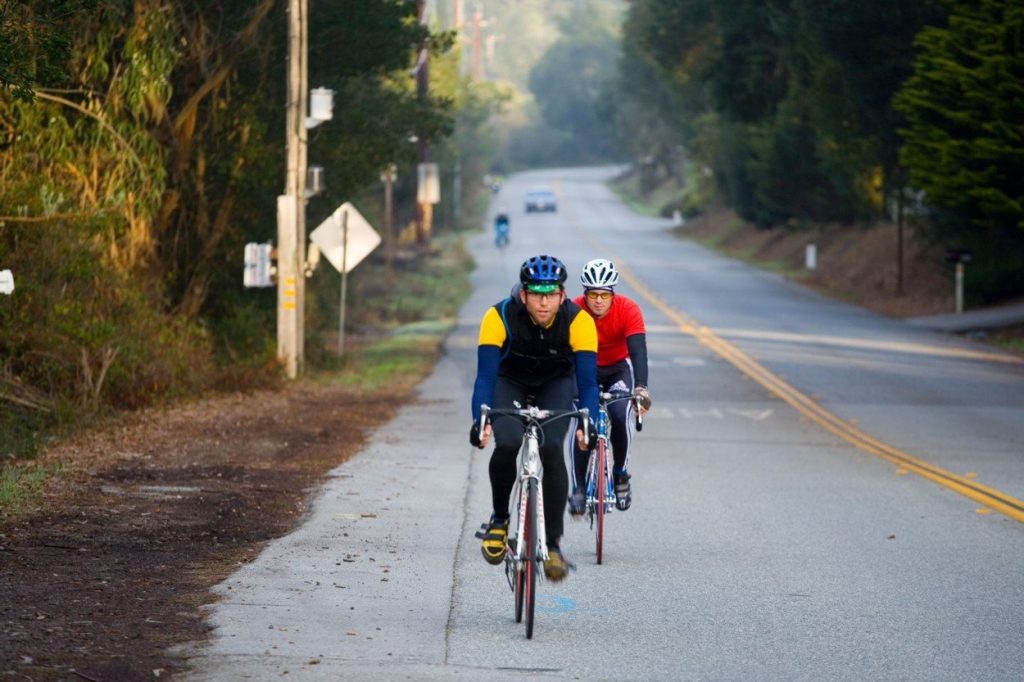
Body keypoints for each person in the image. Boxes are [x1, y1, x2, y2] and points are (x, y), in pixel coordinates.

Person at [470, 254, 599, 581]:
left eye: (551, 294)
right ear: (523, 294)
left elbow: (586, 384)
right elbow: (485, 378)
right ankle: (500, 522)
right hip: (508, 382)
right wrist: (481, 420)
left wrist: (589, 423)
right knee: (509, 442)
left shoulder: (579, 321)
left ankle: (553, 546)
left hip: (555, 384)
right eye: (537, 294)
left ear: (562, 295)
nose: (544, 302)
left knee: (553, 449)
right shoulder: (498, 316)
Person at [569, 258, 651, 514]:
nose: (598, 301)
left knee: (619, 411)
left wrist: (641, 387)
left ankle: (620, 473)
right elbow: (562, 352)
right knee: (584, 422)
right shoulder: (573, 309)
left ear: (612, 294)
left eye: (604, 295)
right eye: (593, 294)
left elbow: (638, 353)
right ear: (585, 294)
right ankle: (579, 488)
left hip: (617, 367)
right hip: (585, 368)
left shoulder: (629, 309)